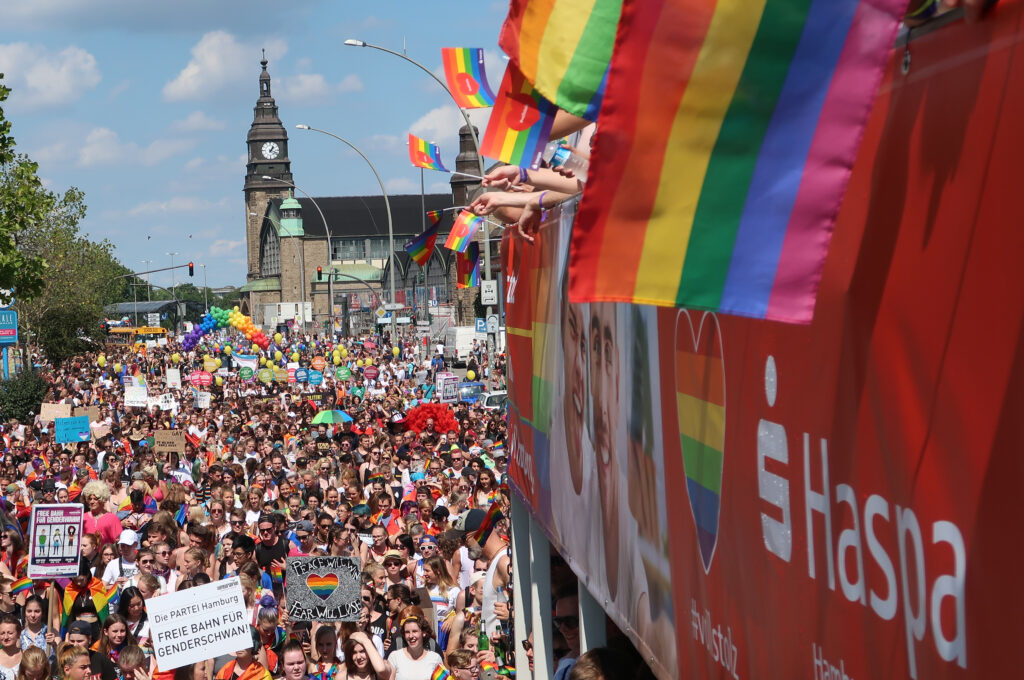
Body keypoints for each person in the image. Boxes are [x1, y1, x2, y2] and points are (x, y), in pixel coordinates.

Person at [386, 606, 442, 680]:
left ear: (424, 632)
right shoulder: (394, 657)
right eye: (407, 632)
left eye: (415, 631)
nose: (411, 636)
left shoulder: (435, 658)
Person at [0, 614, 23, 680]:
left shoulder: (26, 656)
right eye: (2, 633)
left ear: (18, 634)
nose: (6, 637)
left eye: (10, 633)